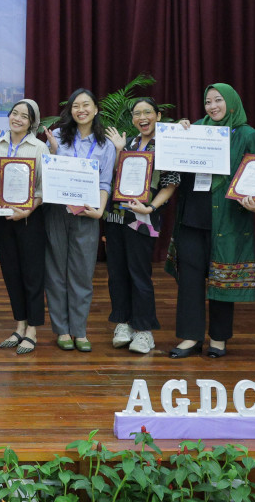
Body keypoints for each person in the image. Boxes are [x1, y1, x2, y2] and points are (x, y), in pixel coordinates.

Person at [167, 84, 255, 359]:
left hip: (228, 219)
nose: (212, 106)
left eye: (218, 100)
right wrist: (177, 133)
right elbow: (175, 163)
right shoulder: (196, 128)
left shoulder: (248, 135)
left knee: (223, 279)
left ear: (231, 102)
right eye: (208, 101)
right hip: (191, 217)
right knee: (190, 279)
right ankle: (190, 336)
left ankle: (219, 339)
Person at [101, 98, 179, 355]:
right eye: (137, 113)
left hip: (142, 219)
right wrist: (119, 151)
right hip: (116, 216)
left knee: (139, 274)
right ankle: (123, 323)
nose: (142, 117)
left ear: (157, 115)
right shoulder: (131, 143)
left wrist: (151, 208)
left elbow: (170, 184)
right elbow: (115, 177)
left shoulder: (167, 144)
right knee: (117, 272)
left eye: (148, 112)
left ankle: (144, 331)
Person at [44, 89, 117, 353]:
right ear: (71, 111)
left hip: (88, 214)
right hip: (57, 212)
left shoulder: (105, 145)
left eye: (86, 105)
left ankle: (80, 330)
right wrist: (52, 152)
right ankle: (62, 330)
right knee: (55, 272)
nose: (81, 110)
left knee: (82, 273)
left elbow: (106, 180)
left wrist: (100, 211)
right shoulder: (60, 139)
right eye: (76, 105)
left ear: (96, 109)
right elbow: (51, 174)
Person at [0, 100, 49, 355]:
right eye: (15, 113)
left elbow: (44, 189)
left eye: (24, 116)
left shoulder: (39, 147)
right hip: (1, 218)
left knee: (32, 274)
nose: (18, 119)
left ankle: (33, 329)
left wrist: (29, 209)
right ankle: (19, 325)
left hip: (28, 218)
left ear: (32, 122)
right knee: (11, 273)